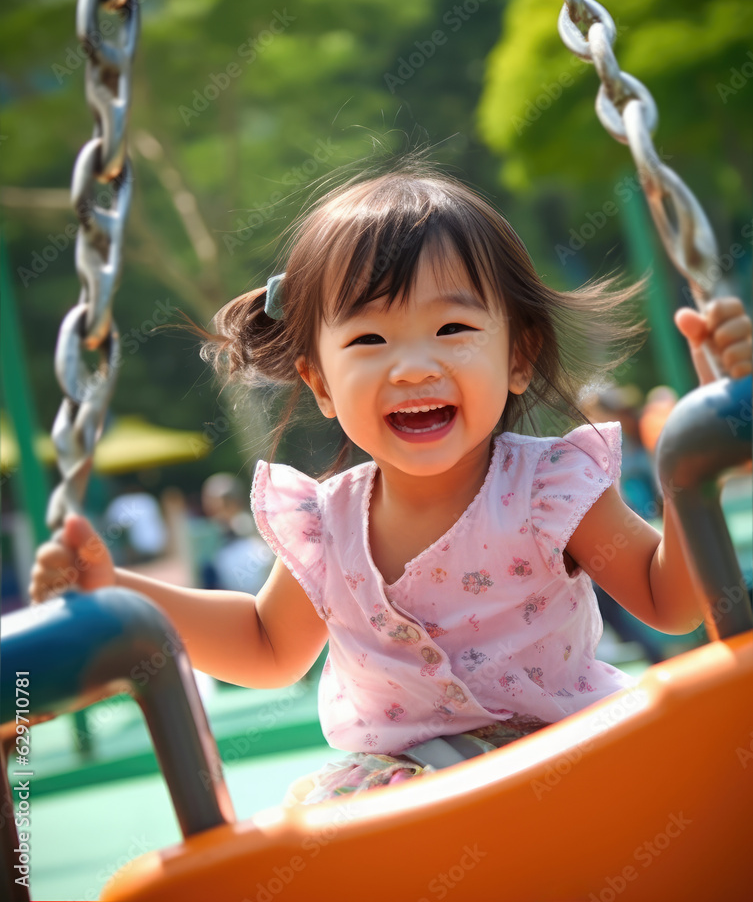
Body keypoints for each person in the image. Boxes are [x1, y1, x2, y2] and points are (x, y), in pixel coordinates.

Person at [29, 170, 753, 804]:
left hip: (570, 755)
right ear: (317, 380)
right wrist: (120, 588)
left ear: (518, 356)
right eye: (368, 341)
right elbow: (264, 645)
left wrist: (700, 450)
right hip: (405, 789)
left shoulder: (545, 487)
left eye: (452, 327)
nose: (410, 367)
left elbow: (671, 600)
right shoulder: (328, 521)